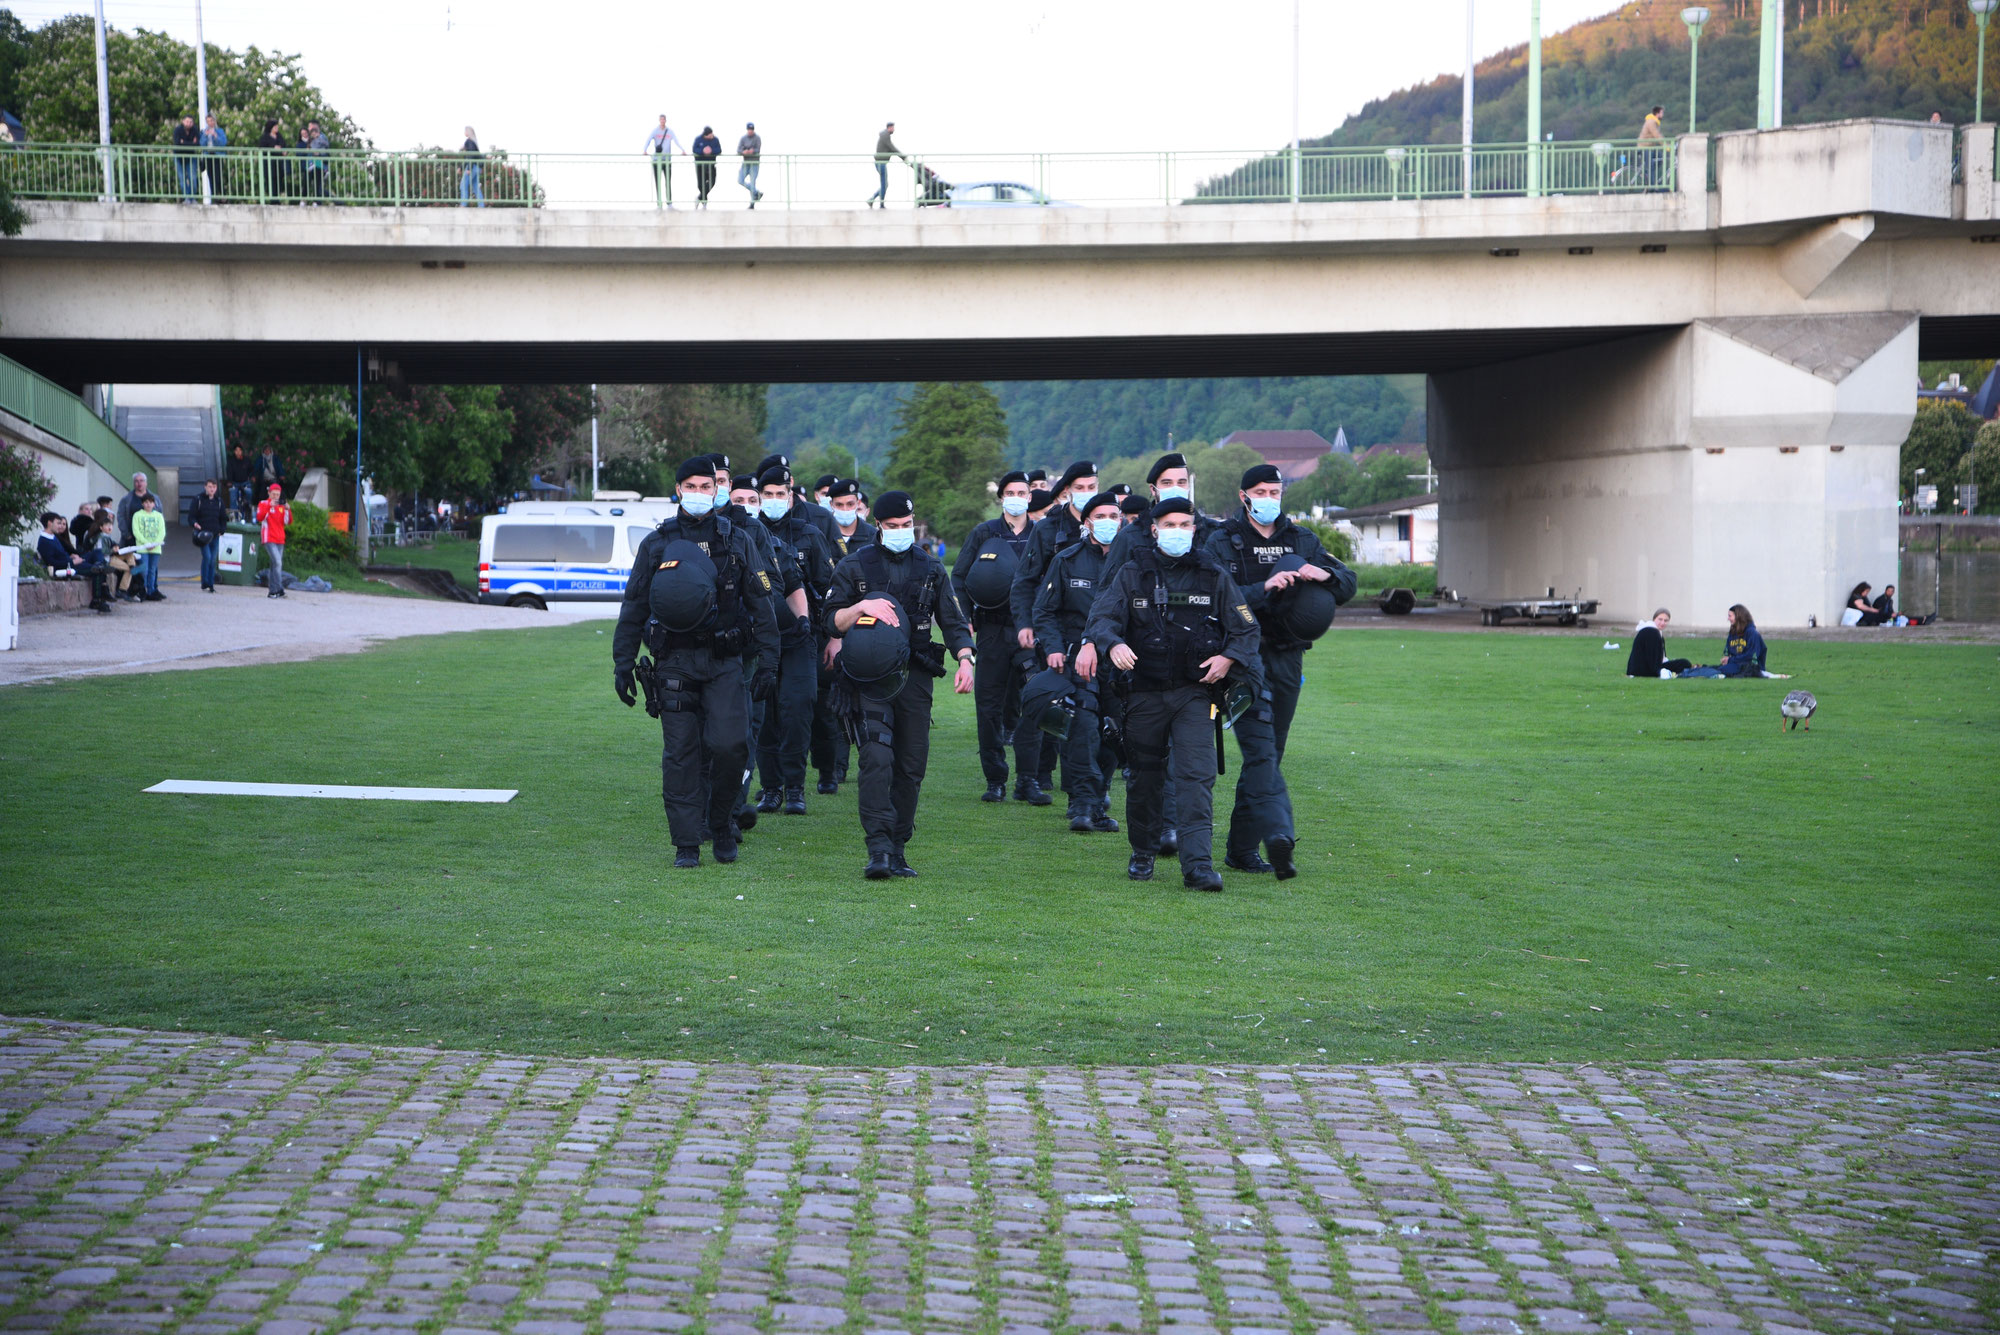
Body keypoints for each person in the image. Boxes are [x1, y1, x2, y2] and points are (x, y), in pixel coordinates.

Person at [612, 456, 782, 869]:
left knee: (731, 747)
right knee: (681, 755)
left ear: (716, 489)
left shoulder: (736, 539)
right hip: (674, 661)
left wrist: (769, 662)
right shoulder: (657, 543)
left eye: (706, 486)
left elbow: (762, 603)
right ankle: (687, 843)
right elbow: (634, 604)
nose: (699, 493)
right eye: (690, 486)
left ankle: (721, 822)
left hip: (724, 661)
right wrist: (623, 662)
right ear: (678, 490)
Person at [1085, 498, 1260, 891]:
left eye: (1185, 523)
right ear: (1154, 529)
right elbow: (1100, 619)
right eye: (1170, 523)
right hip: (1144, 692)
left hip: (1196, 694)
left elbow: (1247, 629)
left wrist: (1228, 659)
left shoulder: (1213, 575)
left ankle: (1198, 866)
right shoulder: (1132, 574)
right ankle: (1143, 852)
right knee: (1144, 779)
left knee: (1195, 778)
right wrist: (1112, 644)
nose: (1178, 530)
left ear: (1195, 530)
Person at [1204, 464, 1356, 877]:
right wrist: (1263, 589)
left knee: (1273, 749)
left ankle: (1242, 848)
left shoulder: (1301, 539)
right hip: (1240, 655)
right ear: (1244, 496)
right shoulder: (1221, 541)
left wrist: (1323, 574)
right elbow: (1212, 594)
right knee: (1248, 750)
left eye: (1276, 490)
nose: (1269, 498)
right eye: (1261, 491)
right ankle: (1215, 844)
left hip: (1287, 655)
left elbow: (1347, 583)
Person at [825, 490, 976, 879]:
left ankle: (897, 846)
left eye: (906, 526)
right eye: (892, 527)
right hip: (868, 679)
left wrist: (965, 659)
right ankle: (877, 848)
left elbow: (954, 621)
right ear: (877, 525)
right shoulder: (854, 566)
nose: (900, 532)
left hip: (915, 677)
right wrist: (860, 607)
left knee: (910, 766)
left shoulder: (931, 568)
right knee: (876, 758)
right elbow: (829, 620)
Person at [1030, 491, 1124, 832]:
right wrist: (1053, 647)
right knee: (1083, 730)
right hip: (1075, 660)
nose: (1109, 523)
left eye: (1115, 516)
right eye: (1101, 516)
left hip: (1120, 662)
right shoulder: (1066, 560)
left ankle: (1098, 801)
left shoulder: (1133, 563)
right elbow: (1044, 610)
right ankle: (1082, 805)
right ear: (1087, 523)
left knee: (1115, 732)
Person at [754, 465, 837, 815]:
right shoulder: (746, 533)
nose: (774, 501)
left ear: (790, 496)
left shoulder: (809, 533)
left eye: (780, 494)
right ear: (759, 498)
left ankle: (795, 788)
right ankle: (771, 788)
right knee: (766, 712)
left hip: (804, 636)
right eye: (767, 495)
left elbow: (832, 589)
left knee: (798, 709)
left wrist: (835, 636)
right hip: (761, 639)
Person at [954, 471, 1038, 802]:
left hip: (1029, 633)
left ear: (1030, 496)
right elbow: (958, 578)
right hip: (990, 630)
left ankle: (1029, 779)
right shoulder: (983, 533)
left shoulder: (1042, 534)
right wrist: (966, 620)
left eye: (1022, 491)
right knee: (988, 705)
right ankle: (995, 779)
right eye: (1010, 492)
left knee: (1034, 701)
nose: (1016, 497)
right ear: (1001, 497)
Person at [814, 478, 876, 793]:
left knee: (866, 700)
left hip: (866, 628)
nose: (845, 511)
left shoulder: (871, 537)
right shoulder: (823, 534)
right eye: (838, 505)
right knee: (834, 699)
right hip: (834, 623)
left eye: (850, 505)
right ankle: (836, 766)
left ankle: (871, 760)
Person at [1680, 605, 1786, 678]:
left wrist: (1731, 660)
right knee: (1716, 668)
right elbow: (1729, 651)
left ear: (1738, 616)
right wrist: (1728, 659)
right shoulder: (1733, 632)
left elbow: (1751, 656)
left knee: (1720, 671)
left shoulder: (1752, 633)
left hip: (1748, 668)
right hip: (1735, 664)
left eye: (1730, 616)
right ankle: (1689, 672)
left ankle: (1692, 673)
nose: (1728, 619)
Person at [37, 513, 112, 612]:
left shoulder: (53, 537)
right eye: (58, 523)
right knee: (97, 570)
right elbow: (52, 562)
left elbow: (61, 554)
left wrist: (71, 557)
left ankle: (100, 565)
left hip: (71, 561)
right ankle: (97, 600)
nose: (60, 526)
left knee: (97, 553)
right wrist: (72, 562)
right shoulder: (44, 541)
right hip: (66, 567)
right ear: (49, 523)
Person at [1625, 608, 1694, 677]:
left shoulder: (1654, 632)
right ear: (1654, 619)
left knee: (1682, 663)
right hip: (1643, 670)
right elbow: (1653, 661)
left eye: (1666, 620)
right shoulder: (1652, 632)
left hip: (1639, 669)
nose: (1663, 623)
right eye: (1660, 619)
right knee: (1684, 663)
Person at [188, 478, 227, 593]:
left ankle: (210, 584)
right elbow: (191, 516)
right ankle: (205, 582)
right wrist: (195, 524)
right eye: (210, 487)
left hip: (215, 534)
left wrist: (222, 530)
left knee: (212, 559)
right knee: (207, 557)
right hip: (203, 535)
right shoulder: (198, 499)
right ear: (205, 487)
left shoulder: (219, 501)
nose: (212, 489)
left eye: (214, 487)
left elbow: (223, 518)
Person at [256, 483, 292, 598]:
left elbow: (287, 521)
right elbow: (260, 517)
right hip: (269, 537)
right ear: (269, 493)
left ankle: (272, 591)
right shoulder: (263, 503)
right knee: (277, 562)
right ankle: (279, 588)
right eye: (274, 494)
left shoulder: (281, 506)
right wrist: (269, 506)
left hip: (280, 538)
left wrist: (287, 510)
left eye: (278, 494)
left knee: (274, 565)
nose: (276, 497)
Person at [132, 494, 167, 601]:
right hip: (143, 547)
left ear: (154, 504)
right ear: (142, 503)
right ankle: (142, 590)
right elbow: (136, 531)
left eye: (150, 502)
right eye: (146, 502)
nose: (148, 504)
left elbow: (162, 531)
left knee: (153, 570)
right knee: (144, 569)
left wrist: (155, 543)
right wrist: (147, 543)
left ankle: (151, 591)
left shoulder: (159, 516)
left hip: (156, 548)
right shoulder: (137, 515)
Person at [645, 115, 685, 208]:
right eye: (661, 119)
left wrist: (682, 150)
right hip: (657, 160)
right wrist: (645, 150)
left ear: (665, 120)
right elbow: (648, 140)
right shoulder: (655, 131)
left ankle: (669, 202)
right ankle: (659, 203)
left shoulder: (669, 131)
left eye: (664, 119)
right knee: (657, 182)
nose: (662, 121)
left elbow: (676, 140)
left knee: (668, 181)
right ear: (659, 120)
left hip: (666, 160)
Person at [117, 472, 161, 550]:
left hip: (151, 539)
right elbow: (120, 517)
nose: (139, 483)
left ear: (146, 483)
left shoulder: (155, 499)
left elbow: (160, 516)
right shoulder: (126, 499)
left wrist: (158, 537)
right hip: (131, 539)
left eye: (141, 480)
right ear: (134, 483)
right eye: (136, 481)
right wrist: (126, 535)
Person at [869, 122, 904, 208]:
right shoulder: (885, 135)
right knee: (884, 184)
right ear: (889, 127)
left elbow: (891, 150)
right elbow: (892, 148)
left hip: (881, 163)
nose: (894, 129)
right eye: (893, 128)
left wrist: (902, 157)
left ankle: (873, 200)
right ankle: (877, 202)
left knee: (884, 184)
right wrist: (903, 156)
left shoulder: (885, 136)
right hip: (881, 163)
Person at [256, 119, 289, 201]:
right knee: (271, 181)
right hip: (269, 164)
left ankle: (277, 198)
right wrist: (273, 148)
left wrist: (284, 150)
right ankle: (273, 200)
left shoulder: (279, 136)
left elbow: (284, 145)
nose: (277, 128)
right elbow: (262, 148)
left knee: (279, 181)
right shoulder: (265, 137)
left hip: (279, 163)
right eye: (275, 126)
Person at [171, 115, 200, 201]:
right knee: (182, 179)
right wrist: (191, 143)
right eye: (187, 121)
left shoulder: (195, 130)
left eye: (191, 122)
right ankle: (187, 198)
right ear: (183, 122)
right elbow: (177, 143)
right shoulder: (178, 130)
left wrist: (184, 142)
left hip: (191, 157)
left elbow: (197, 144)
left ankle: (192, 198)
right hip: (179, 157)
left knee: (193, 179)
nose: (189, 124)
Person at [200, 113, 228, 197]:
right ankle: (215, 196)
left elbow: (223, 143)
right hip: (208, 156)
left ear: (214, 121)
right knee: (211, 177)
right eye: (208, 121)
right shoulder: (203, 132)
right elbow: (201, 144)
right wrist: (205, 135)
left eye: (211, 120)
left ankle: (222, 195)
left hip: (217, 155)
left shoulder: (220, 131)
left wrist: (215, 136)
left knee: (218, 176)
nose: (210, 123)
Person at [693, 127, 721, 208]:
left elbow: (719, 150)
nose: (712, 135)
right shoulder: (698, 139)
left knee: (712, 182)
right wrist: (703, 151)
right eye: (710, 134)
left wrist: (711, 150)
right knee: (700, 184)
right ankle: (704, 201)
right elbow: (694, 149)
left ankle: (699, 197)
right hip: (700, 165)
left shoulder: (715, 139)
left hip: (711, 164)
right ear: (706, 135)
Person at [738, 122, 764, 207]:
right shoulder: (743, 138)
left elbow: (757, 149)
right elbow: (739, 150)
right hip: (746, 162)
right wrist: (743, 152)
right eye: (749, 129)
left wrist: (752, 151)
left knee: (753, 182)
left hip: (754, 163)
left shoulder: (757, 138)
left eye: (752, 129)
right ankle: (756, 193)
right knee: (740, 180)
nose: (750, 131)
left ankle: (752, 203)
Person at [301, 121, 329, 202]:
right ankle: (305, 200)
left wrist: (318, 153)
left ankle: (317, 202)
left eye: (310, 126)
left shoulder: (322, 138)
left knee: (318, 184)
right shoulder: (311, 138)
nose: (309, 129)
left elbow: (325, 150)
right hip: (310, 165)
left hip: (319, 165)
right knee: (307, 183)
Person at [459, 127, 485, 207]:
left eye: (465, 131)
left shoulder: (469, 141)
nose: (464, 132)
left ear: (468, 132)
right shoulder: (474, 142)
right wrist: (461, 167)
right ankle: (481, 205)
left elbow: (470, 156)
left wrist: (469, 169)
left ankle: (463, 204)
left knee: (463, 185)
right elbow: (469, 156)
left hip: (473, 166)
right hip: (477, 167)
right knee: (475, 187)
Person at [226, 445, 255, 515]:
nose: (238, 452)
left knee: (249, 493)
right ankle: (234, 517)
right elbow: (229, 471)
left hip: (245, 483)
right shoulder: (231, 461)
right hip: (234, 483)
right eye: (236, 450)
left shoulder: (247, 460)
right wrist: (229, 481)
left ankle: (248, 511)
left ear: (242, 451)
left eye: (239, 450)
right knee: (232, 499)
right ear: (234, 452)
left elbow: (251, 470)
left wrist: (252, 477)